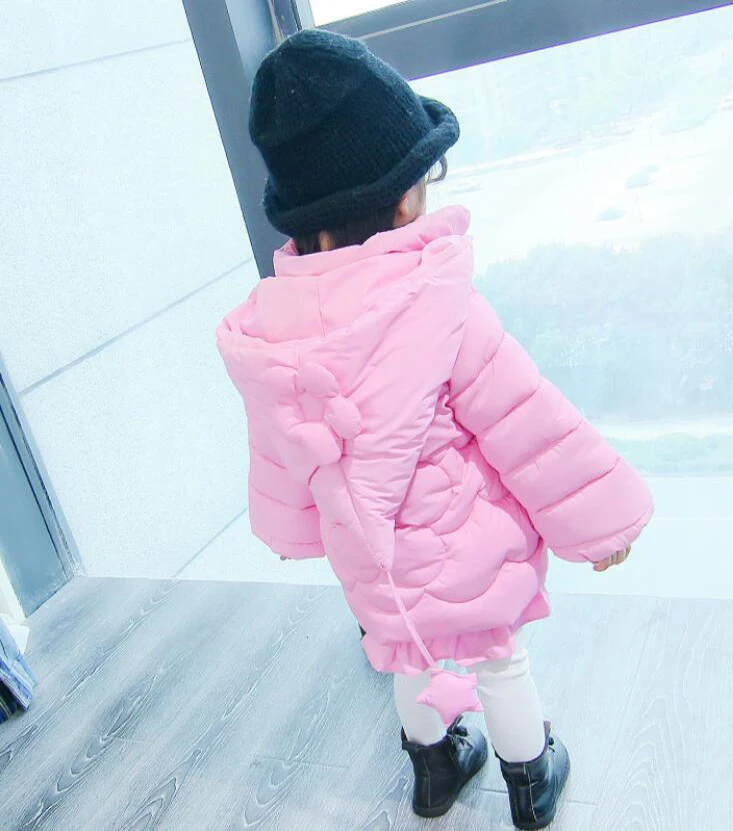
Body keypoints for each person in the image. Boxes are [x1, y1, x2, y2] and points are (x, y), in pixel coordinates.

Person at [217, 29, 653, 831]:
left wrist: (291, 532)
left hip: (374, 564)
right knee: (500, 662)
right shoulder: (437, 301)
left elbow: (280, 448)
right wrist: (603, 525)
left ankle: (433, 774)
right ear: (401, 199)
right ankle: (531, 782)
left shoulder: (273, 322)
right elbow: (528, 422)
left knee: (406, 658)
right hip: (469, 547)